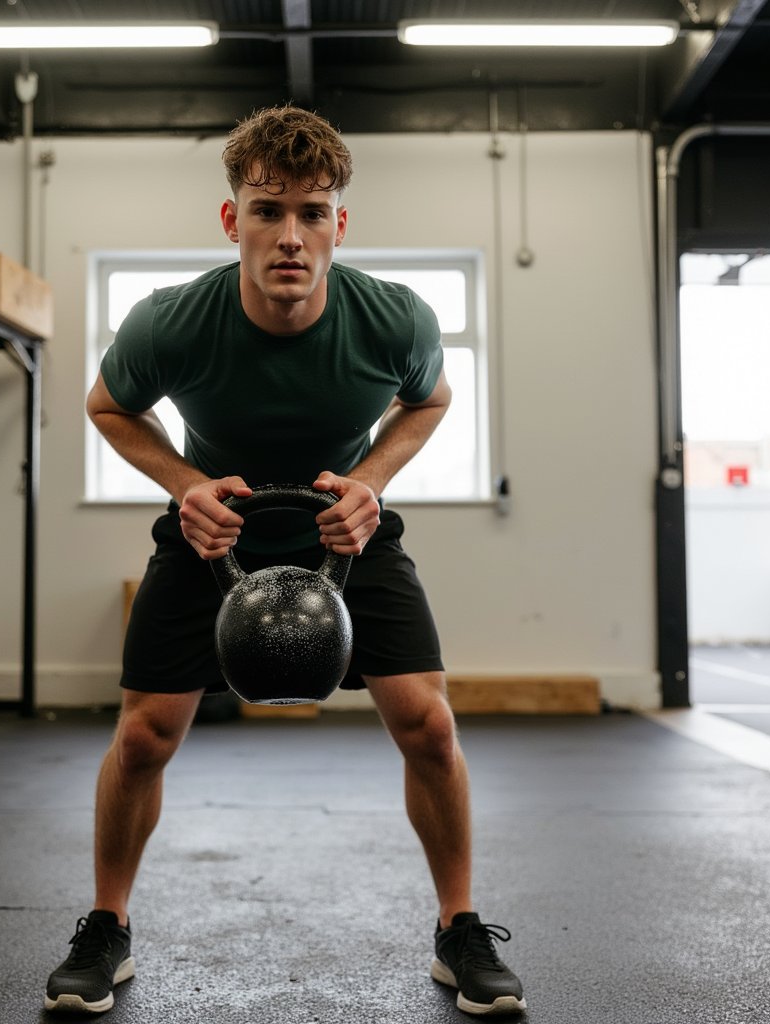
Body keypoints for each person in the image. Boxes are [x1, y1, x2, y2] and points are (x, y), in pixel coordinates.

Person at [44, 105, 525, 1018]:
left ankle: (459, 928)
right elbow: (109, 405)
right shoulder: (172, 321)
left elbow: (428, 401)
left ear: (341, 224)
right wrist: (185, 483)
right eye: (268, 211)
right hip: (209, 533)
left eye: (312, 212)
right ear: (233, 222)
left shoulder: (395, 318)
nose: (290, 237)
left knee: (428, 724)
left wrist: (368, 483)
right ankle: (107, 926)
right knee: (144, 735)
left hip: (344, 528)